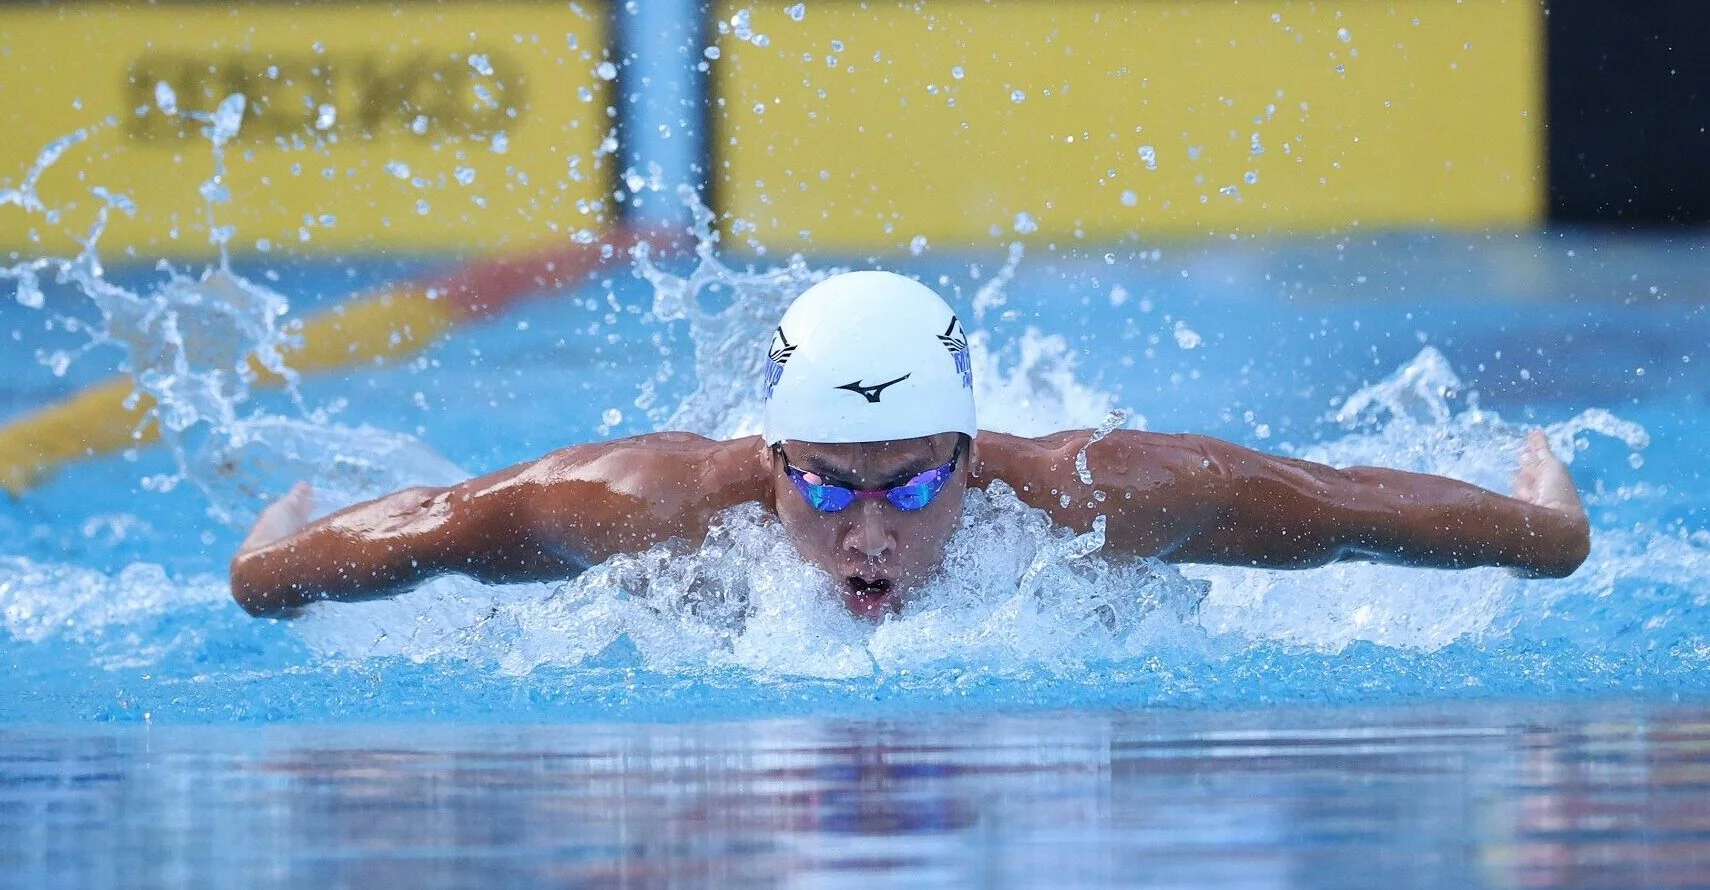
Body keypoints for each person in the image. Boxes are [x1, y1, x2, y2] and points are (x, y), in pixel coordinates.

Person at [230, 271, 1591, 620]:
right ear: (768, 458)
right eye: (824, 487)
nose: (869, 530)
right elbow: (431, 527)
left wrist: (1544, 529)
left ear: (972, 452)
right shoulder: (644, 504)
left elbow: (1341, 504)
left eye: (916, 482)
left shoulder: (1102, 496)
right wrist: (270, 564)